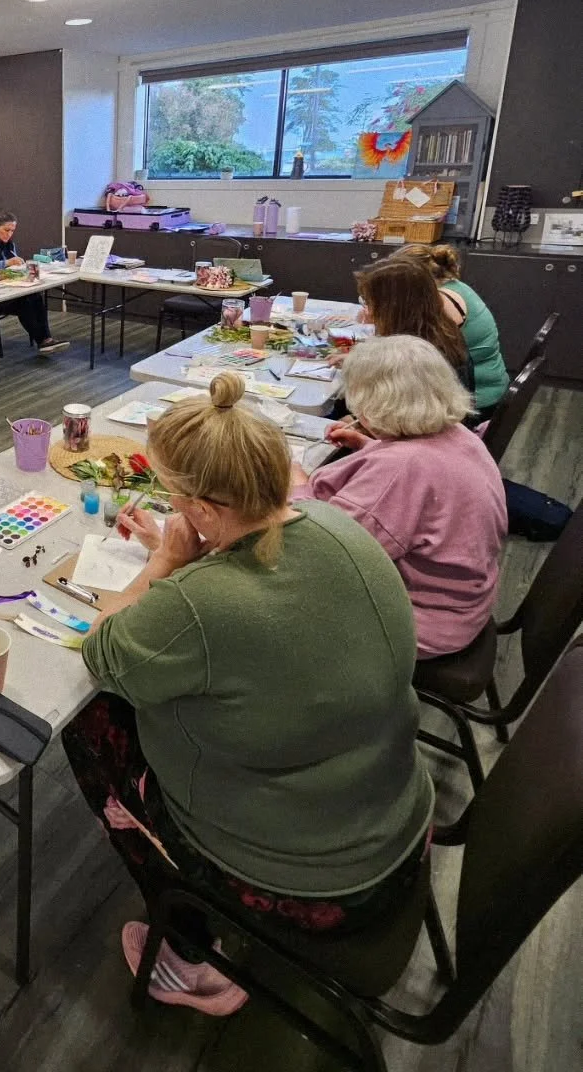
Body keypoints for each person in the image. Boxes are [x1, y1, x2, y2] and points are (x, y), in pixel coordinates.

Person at [63, 371, 434, 1015]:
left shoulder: (199, 601)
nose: (173, 510)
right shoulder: (341, 529)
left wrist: (165, 563)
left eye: (176, 499)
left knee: (90, 720)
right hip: (396, 826)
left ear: (203, 511)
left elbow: (101, 645)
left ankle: (187, 949)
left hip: (316, 887)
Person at [293, 336, 506, 658]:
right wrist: (372, 446)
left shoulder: (402, 469)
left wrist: (296, 487)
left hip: (419, 621)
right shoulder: (458, 434)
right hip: (461, 602)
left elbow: (322, 552)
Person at [392, 243, 509, 415]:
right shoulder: (454, 286)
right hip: (488, 382)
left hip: (475, 399)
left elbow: (419, 356)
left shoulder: (442, 301)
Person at [353, 257, 474, 394]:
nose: (368, 310)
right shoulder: (439, 329)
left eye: (369, 303)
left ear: (392, 309)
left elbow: (399, 410)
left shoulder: (416, 356)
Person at [0, 211, 69, 355]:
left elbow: (13, 265)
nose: (9, 234)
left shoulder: (9, 245)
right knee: (25, 302)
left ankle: (47, 338)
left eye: (12, 231)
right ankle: (42, 341)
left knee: (35, 297)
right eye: (6, 230)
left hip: (9, 286)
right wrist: (6, 263)